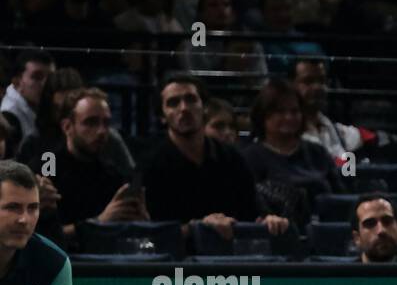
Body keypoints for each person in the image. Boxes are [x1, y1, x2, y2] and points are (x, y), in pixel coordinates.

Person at [143, 74, 289, 241]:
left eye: (191, 99)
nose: (183, 108)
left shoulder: (232, 158)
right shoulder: (150, 165)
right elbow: (151, 236)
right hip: (176, 263)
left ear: (204, 107)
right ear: (162, 116)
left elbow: (254, 211)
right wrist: (197, 227)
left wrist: (269, 221)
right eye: (173, 103)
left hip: (230, 258)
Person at [47, 88, 150, 241]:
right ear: (67, 127)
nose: (101, 131)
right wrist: (99, 223)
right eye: (91, 122)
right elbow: (40, 238)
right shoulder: (48, 164)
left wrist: (141, 222)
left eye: (106, 123)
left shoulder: (112, 174)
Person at [241, 77, 346, 226]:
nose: (289, 117)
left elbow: (340, 196)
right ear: (263, 116)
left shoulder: (318, 152)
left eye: (294, 111)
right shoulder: (249, 157)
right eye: (280, 111)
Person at [2, 49, 55, 146]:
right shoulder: (9, 117)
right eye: (37, 77)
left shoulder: (46, 105)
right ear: (17, 83)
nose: (46, 84)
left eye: (51, 78)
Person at [351, 194, 397, 263]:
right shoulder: (342, 273)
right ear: (357, 238)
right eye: (370, 224)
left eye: (387, 221)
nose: (381, 230)